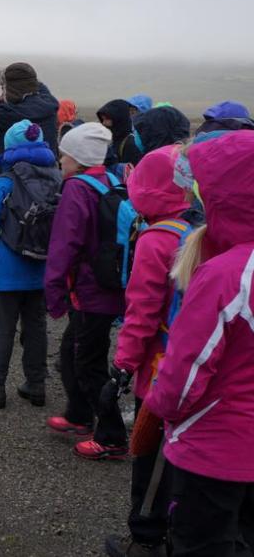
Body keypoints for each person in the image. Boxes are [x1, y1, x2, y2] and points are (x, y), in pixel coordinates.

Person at [144, 131, 254, 555]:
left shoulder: (226, 275)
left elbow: (185, 375)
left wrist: (158, 408)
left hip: (215, 450)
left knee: (201, 542)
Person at [101, 146, 192, 557]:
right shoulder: (197, 230)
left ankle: (146, 540)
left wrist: (123, 365)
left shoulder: (157, 240)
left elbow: (141, 313)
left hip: (159, 371)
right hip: (195, 367)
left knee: (151, 458)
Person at [44, 122, 128, 459]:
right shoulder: (111, 180)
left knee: (88, 361)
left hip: (91, 290)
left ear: (76, 158)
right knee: (72, 352)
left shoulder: (77, 189)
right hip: (107, 286)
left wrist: (52, 291)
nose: (60, 160)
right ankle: (79, 414)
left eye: (64, 155)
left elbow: (64, 243)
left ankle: (111, 437)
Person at [0, 120, 60, 408]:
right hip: (43, 271)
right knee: (36, 327)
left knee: (3, 328)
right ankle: (35, 385)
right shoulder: (59, 179)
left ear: (9, 147)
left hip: (7, 272)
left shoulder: (3, 183)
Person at [97, 99, 139, 166]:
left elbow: (131, 172)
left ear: (119, 119)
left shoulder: (130, 144)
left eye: (107, 119)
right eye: (103, 119)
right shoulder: (113, 138)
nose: (104, 123)